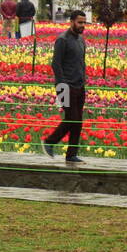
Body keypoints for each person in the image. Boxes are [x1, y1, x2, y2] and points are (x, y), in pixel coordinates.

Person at [43, 9, 88, 164]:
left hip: (79, 86)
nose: (82, 25)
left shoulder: (81, 40)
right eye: (79, 22)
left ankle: (71, 154)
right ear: (72, 22)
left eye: (84, 22)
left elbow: (81, 63)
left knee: (77, 121)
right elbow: (56, 64)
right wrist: (63, 86)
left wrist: (83, 80)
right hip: (65, 86)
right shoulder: (63, 40)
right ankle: (49, 142)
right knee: (72, 119)